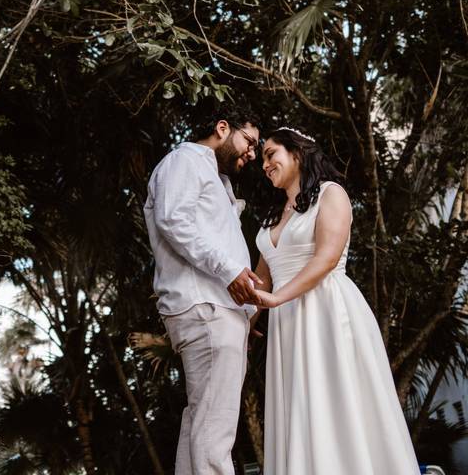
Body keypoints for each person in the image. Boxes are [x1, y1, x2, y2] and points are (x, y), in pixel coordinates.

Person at [248, 126, 419, 474]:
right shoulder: (271, 218)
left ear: (297, 152)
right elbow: (259, 281)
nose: (264, 164)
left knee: (337, 404)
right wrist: (241, 327)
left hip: (326, 311)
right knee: (299, 409)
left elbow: (326, 258)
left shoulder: (332, 194)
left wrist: (277, 297)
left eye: (271, 154)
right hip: (287, 323)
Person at [140, 104, 262, 475]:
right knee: (215, 428)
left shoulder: (215, 178)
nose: (252, 154)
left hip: (218, 310)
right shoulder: (185, 161)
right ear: (223, 128)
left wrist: (243, 314)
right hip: (206, 308)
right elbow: (174, 220)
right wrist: (229, 274)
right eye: (250, 142)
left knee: (202, 419)